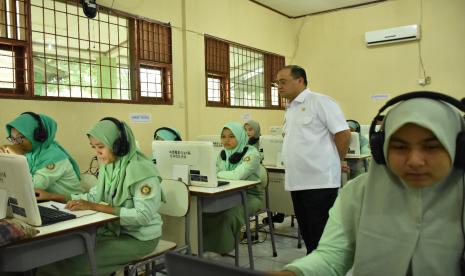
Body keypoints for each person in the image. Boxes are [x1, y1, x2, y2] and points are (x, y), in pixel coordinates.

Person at [271, 92, 465, 276]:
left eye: (431, 147)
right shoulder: (358, 192)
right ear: (381, 149)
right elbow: (332, 257)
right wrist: (294, 272)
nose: (415, 161)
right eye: (399, 146)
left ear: (459, 147)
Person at [37, 117, 163, 275]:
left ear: (118, 146)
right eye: (93, 147)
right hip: (114, 232)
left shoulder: (142, 172)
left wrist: (95, 206)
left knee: (78, 266)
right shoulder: (109, 167)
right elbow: (91, 197)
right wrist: (53, 196)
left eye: (101, 147)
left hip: (139, 238)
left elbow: (142, 216)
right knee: (59, 256)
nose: (97, 152)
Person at [277, 65, 351, 254]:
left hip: (319, 182)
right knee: (309, 235)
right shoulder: (290, 108)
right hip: (297, 182)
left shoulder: (319, 101)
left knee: (322, 237)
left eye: (283, 81)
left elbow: (342, 133)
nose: (279, 86)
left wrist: (337, 160)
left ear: (300, 80)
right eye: (277, 83)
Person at [202, 122, 264, 254]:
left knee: (227, 215)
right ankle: (202, 247)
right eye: (223, 137)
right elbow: (211, 173)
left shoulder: (252, 153)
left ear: (240, 136)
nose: (226, 140)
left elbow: (237, 176)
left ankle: (224, 247)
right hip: (227, 194)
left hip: (250, 196)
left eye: (231, 136)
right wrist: (217, 174)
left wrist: (218, 174)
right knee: (203, 212)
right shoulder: (222, 154)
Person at [0, 112, 83, 202]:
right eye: (12, 138)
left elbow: (31, 187)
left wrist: (17, 159)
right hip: (47, 203)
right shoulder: (31, 153)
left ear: (37, 136)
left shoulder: (54, 157)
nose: (15, 143)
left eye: (20, 138)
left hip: (72, 205)